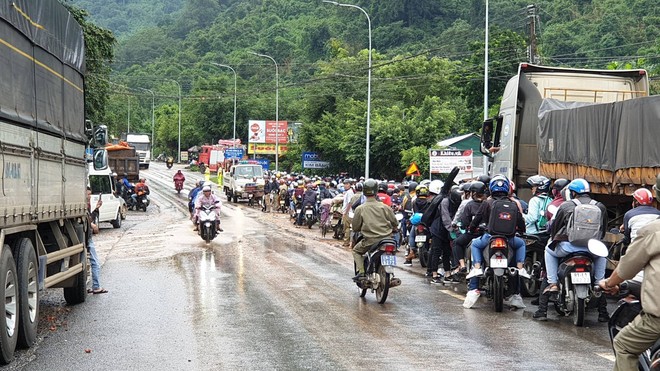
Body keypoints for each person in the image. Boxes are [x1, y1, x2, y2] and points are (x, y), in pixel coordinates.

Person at [598, 177, 660, 371]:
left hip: (656, 319)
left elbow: (626, 268)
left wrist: (609, 283)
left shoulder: (652, 230)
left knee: (624, 345)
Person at [533, 178, 608, 321]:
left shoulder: (566, 206)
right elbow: (603, 230)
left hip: (567, 247)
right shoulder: (600, 206)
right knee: (602, 258)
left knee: (549, 251)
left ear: (573, 193)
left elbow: (555, 229)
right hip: (591, 249)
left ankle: (548, 296)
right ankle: (602, 302)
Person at [463, 175, 529, 309]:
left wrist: (471, 229)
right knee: (520, 247)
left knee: (475, 244)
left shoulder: (487, 203)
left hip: (489, 237)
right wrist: (521, 231)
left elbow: (477, 219)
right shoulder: (513, 204)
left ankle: (475, 273)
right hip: (509, 239)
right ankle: (520, 269)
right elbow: (521, 222)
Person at [351, 179, 399, 280]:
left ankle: (362, 272)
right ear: (376, 191)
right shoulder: (385, 207)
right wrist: (393, 228)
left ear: (364, 191)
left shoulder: (360, 209)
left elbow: (355, 227)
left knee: (356, 251)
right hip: (387, 239)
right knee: (392, 250)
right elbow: (395, 222)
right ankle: (392, 274)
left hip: (370, 241)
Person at [451, 181, 487, 275]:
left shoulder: (469, 205)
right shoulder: (489, 204)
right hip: (486, 234)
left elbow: (464, 221)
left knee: (456, 243)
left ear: (473, 193)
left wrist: (464, 226)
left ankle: (462, 265)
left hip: (472, 233)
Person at [86, 187, 107, 294]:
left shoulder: (87, 206)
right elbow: (87, 220)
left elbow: (89, 218)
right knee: (95, 262)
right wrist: (91, 224)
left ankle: (93, 285)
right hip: (86, 238)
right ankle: (96, 286)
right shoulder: (83, 207)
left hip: (86, 237)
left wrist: (97, 208)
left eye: (90, 194)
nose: (89, 197)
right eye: (88, 194)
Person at [341, 179, 355, 247]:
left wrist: (345, 213)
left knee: (347, 228)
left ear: (350, 184)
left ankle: (346, 242)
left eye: (347, 184)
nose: (345, 185)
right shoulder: (348, 192)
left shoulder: (349, 192)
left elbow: (350, 203)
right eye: (344, 184)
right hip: (350, 213)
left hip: (349, 213)